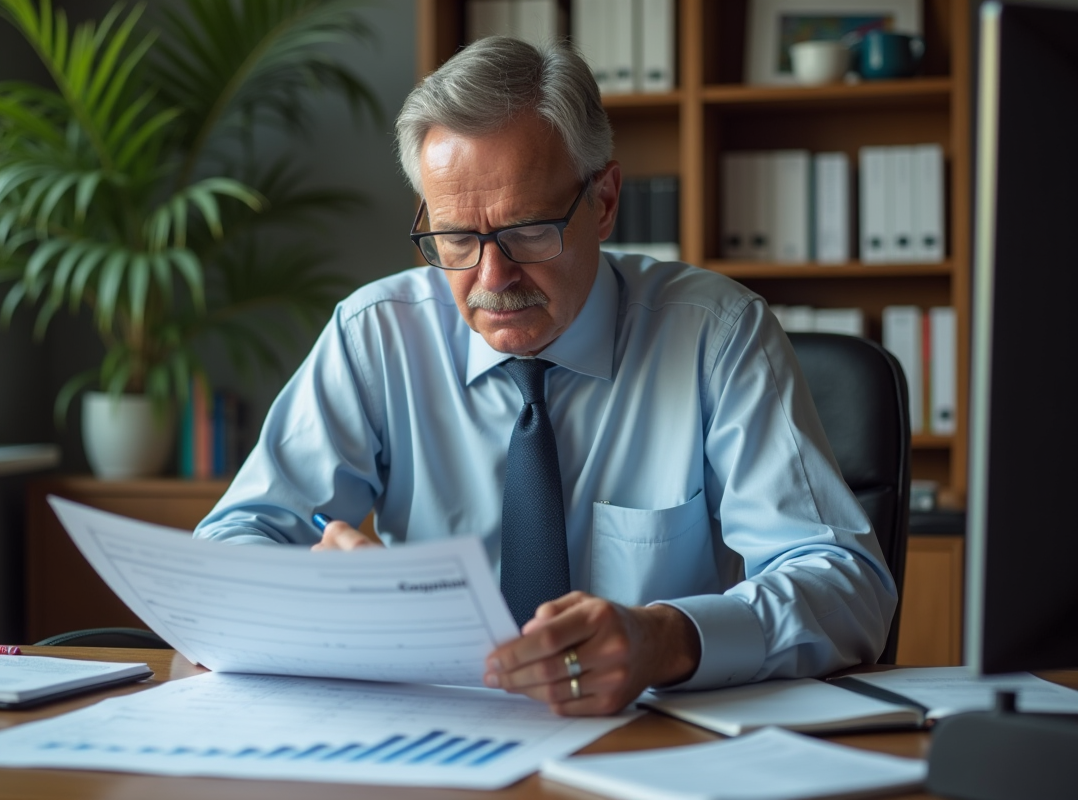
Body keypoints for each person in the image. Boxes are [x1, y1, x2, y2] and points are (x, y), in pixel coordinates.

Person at [194, 36, 896, 716]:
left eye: (528, 230)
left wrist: (666, 639)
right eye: (456, 239)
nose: (492, 278)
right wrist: (316, 593)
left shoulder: (718, 335)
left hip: (646, 742)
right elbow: (231, 549)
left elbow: (848, 586)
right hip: (435, 737)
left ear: (604, 201)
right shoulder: (377, 335)